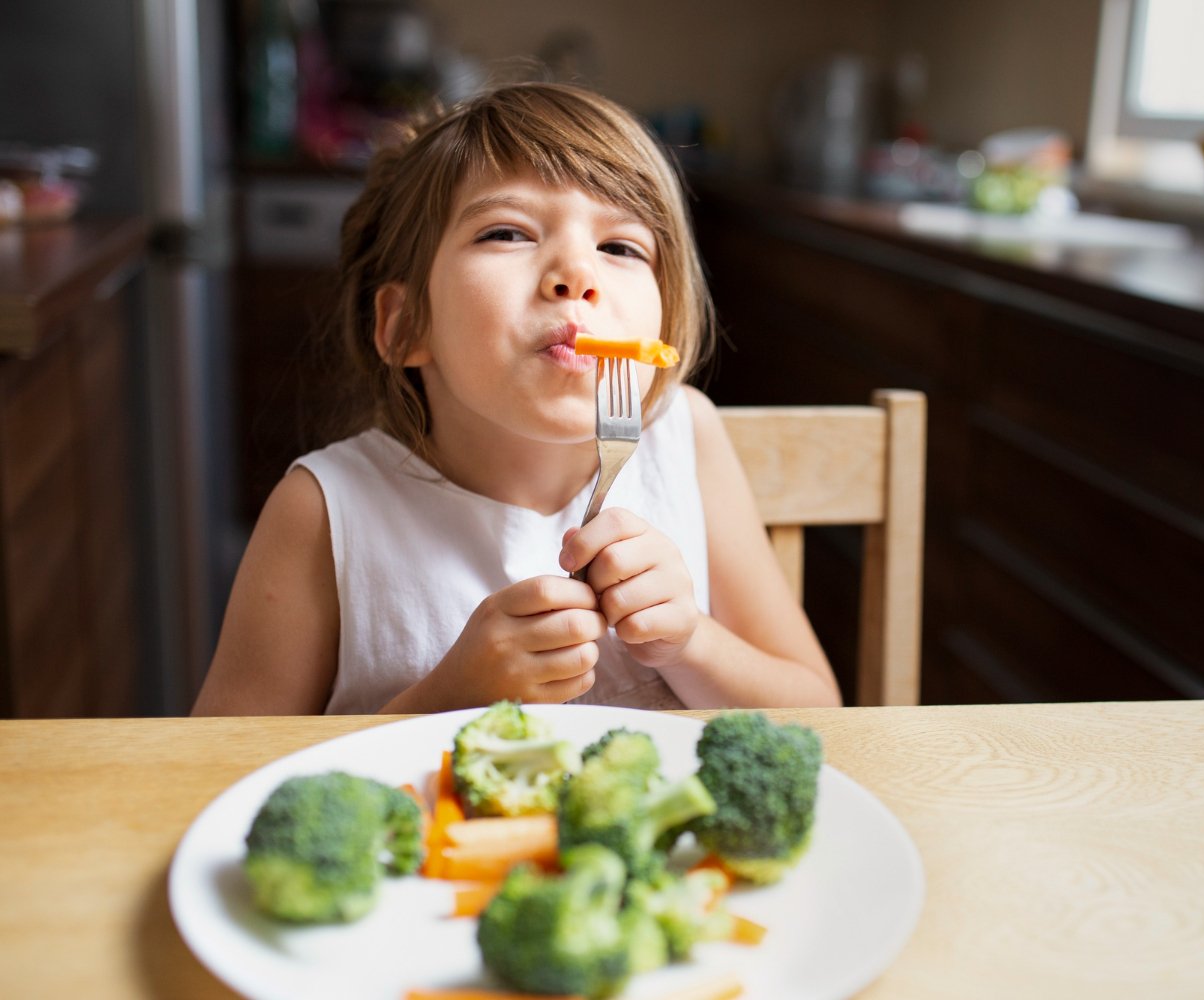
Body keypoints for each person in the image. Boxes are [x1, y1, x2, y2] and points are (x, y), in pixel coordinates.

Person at [192, 83, 840, 715]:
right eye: (508, 233)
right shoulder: (325, 511)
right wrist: (444, 702)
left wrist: (692, 642)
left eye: (619, 247)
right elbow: (214, 771)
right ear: (405, 324)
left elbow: (821, 711)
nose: (578, 276)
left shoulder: (683, 436)